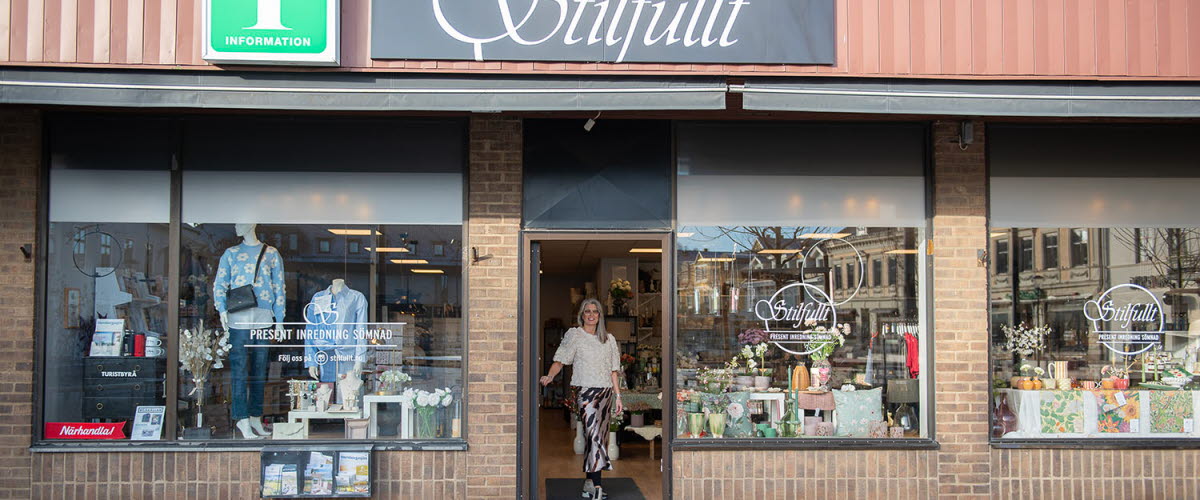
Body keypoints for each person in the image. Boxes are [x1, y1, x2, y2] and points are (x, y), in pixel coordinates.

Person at [541, 298, 624, 499]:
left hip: (605, 394)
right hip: (586, 393)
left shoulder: (609, 339)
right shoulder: (574, 335)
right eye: (587, 311)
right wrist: (550, 375)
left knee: (597, 439)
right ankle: (597, 487)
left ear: (600, 316)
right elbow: (560, 360)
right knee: (594, 435)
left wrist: (618, 396)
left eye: (595, 311)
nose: (591, 314)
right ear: (582, 315)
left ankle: (589, 483)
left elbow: (614, 371)